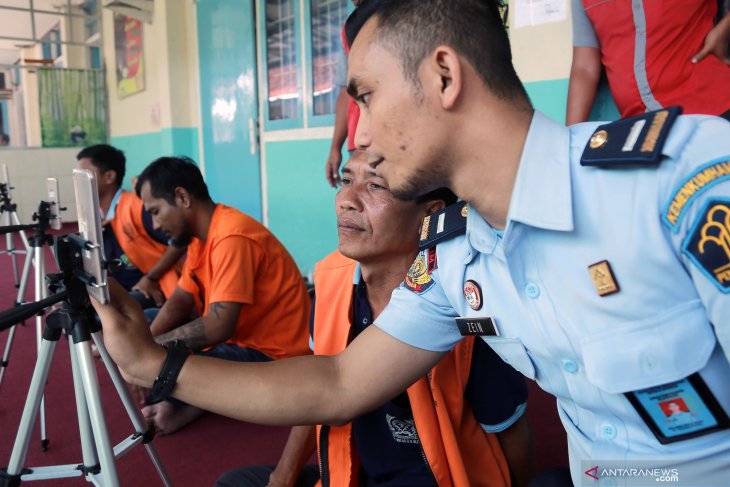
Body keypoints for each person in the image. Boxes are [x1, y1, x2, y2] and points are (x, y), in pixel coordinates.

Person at [92, 1, 730, 485]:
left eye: (365, 96)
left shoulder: (680, 185)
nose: (358, 136)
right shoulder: (456, 258)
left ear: (444, 75)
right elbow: (340, 382)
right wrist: (154, 365)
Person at [216, 152, 536, 487]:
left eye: (376, 186)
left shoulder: (466, 304)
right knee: (236, 482)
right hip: (351, 474)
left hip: (439, 479)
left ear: (431, 213)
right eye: (347, 180)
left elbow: (509, 429)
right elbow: (318, 392)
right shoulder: (331, 281)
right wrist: (282, 478)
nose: (347, 201)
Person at [133, 156, 312, 435]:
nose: (155, 225)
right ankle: (192, 399)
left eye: (155, 211)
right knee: (146, 321)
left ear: (182, 197)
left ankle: (190, 403)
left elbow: (218, 326)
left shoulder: (231, 236)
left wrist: (149, 353)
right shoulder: (201, 236)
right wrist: (146, 345)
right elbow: (180, 300)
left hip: (273, 358)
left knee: (165, 367)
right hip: (235, 341)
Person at [566, 0, 730, 125]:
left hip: (712, 111)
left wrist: (724, 29)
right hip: (643, 130)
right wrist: (569, 141)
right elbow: (584, 69)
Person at [76, 144, 185, 309]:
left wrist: (151, 278)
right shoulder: (97, 214)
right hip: (123, 285)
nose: (79, 181)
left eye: (85, 173)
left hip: (158, 287)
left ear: (109, 176)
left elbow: (181, 241)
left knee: (108, 309)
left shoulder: (137, 207)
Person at [325, 0, 363, 187]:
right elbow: (345, 91)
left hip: (392, 142)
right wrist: (335, 147)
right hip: (356, 143)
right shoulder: (349, 28)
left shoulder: (405, 16)